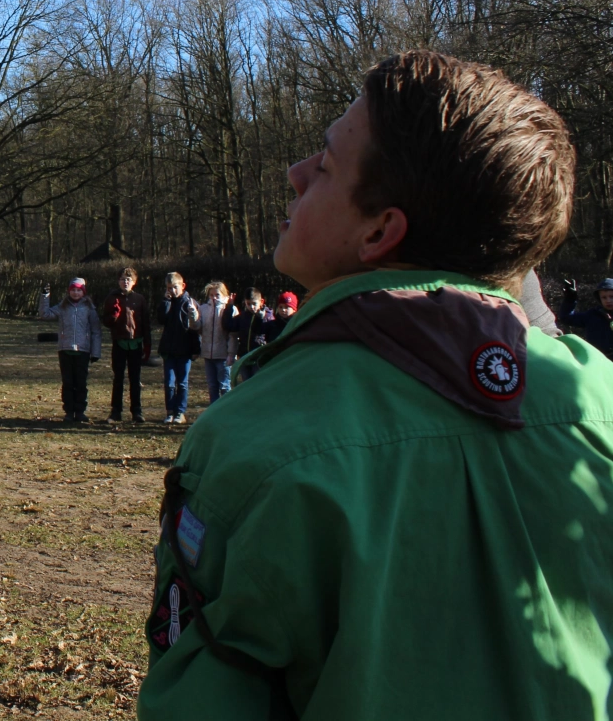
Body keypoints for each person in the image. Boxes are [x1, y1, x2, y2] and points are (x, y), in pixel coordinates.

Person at [139, 51, 613, 719]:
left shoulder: (260, 436)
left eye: (326, 165)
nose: (295, 172)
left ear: (381, 231)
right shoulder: (600, 402)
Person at [39, 277, 103, 424]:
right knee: (67, 382)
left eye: (78, 290)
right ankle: (69, 412)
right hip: (65, 349)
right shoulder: (63, 306)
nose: (75, 293)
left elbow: (96, 331)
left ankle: (80, 411)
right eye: (73, 290)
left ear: (83, 292)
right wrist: (45, 296)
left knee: (80, 383)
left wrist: (96, 352)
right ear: (69, 291)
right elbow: (45, 314)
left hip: (83, 351)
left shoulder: (89, 308)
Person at [100, 267, 150, 423]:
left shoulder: (140, 299)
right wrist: (114, 315)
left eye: (128, 279)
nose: (125, 282)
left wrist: (147, 345)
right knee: (118, 378)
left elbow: (146, 323)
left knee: (135, 379)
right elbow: (106, 322)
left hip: (136, 343)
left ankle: (137, 411)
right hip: (119, 343)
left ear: (134, 282)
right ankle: (116, 412)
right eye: (122, 279)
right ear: (118, 281)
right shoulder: (111, 298)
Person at [154, 272, 200, 425]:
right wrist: (166, 301)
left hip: (185, 350)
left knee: (182, 383)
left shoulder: (189, 303)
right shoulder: (167, 302)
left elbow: (195, 328)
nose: (172, 291)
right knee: (169, 383)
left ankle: (180, 411)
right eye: (169, 288)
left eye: (175, 287)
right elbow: (161, 319)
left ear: (182, 286)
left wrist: (195, 349)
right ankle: (170, 411)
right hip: (169, 349)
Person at [556, 276, 613, 357]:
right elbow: (566, 317)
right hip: (598, 361)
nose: (608, 300)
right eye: (604, 297)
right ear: (599, 299)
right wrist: (570, 299)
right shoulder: (592, 315)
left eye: (612, 297)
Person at [197, 282, 234, 404]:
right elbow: (198, 328)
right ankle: (213, 410)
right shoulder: (203, 309)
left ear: (224, 294)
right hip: (208, 353)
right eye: (211, 295)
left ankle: (227, 411)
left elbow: (233, 335)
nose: (214, 298)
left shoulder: (229, 309)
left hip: (223, 354)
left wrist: (231, 353)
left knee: (224, 386)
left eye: (217, 294)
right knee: (212, 386)